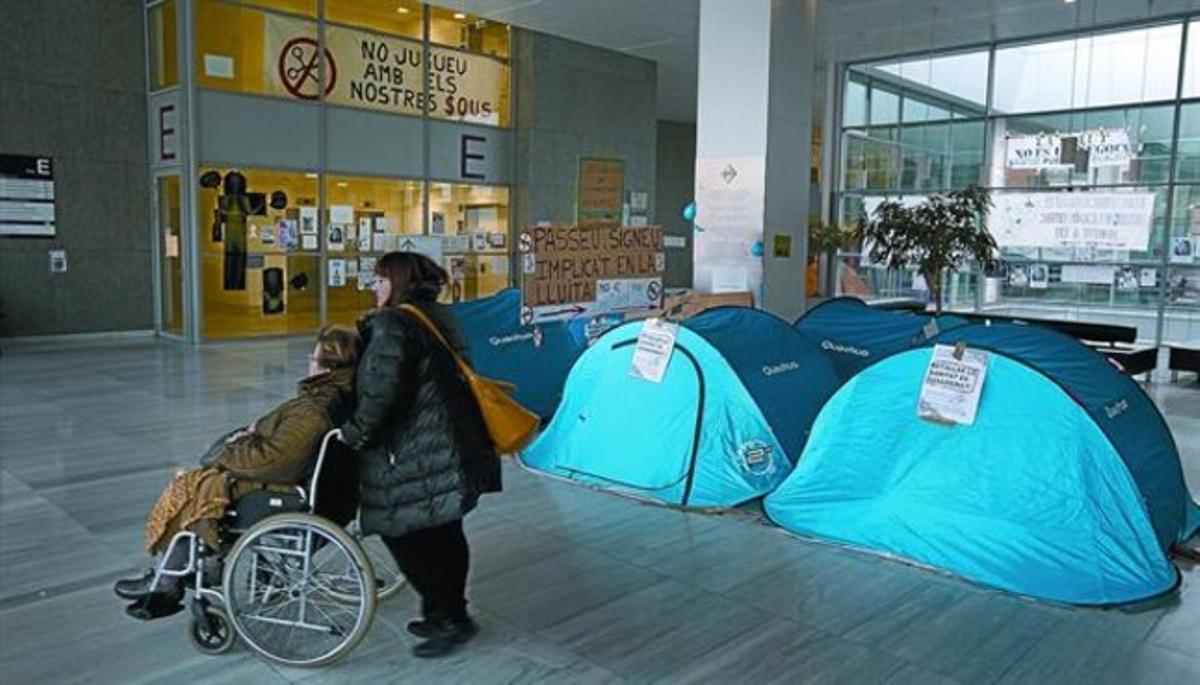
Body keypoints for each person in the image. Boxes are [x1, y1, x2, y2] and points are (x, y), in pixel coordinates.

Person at [114, 326, 360, 620]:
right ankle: (190, 569)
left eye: (313, 357)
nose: (308, 361)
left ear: (326, 367)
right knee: (201, 483)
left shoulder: (313, 410)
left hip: (285, 488)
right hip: (313, 485)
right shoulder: (337, 398)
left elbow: (277, 460)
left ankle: (170, 580)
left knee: (196, 486)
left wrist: (231, 448)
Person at [340, 251, 500, 659]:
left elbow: (382, 391)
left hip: (417, 446)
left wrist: (354, 434)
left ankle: (447, 616)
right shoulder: (439, 315)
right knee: (444, 528)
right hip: (455, 440)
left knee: (401, 529)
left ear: (398, 280)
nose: (374, 288)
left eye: (379, 280)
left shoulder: (394, 323)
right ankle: (447, 612)